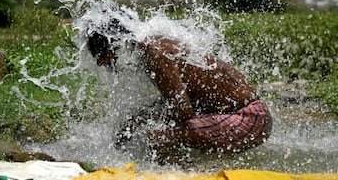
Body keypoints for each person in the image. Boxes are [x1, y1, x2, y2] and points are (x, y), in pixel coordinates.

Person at [86, 20, 272, 164]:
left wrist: (145, 120)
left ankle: (189, 174)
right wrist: (137, 119)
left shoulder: (154, 54)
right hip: (243, 114)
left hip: (249, 120)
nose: (113, 69)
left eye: (110, 61)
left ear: (116, 45)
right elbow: (184, 101)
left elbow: (184, 112)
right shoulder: (153, 43)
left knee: (156, 139)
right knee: (140, 120)